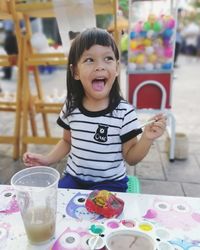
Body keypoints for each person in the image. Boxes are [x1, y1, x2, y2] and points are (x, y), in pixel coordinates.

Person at [23, 28, 166, 192]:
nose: (100, 66)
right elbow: (67, 141)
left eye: (108, 59)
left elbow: (131, 158)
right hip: (74, 179)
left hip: (110, 183)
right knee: (57, 205)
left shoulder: (124, 113)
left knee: (103, 216)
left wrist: (147, 138)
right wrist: (47, 160)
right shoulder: (71, 106)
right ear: (75, 71)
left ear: (117, 68)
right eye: (90, 60)